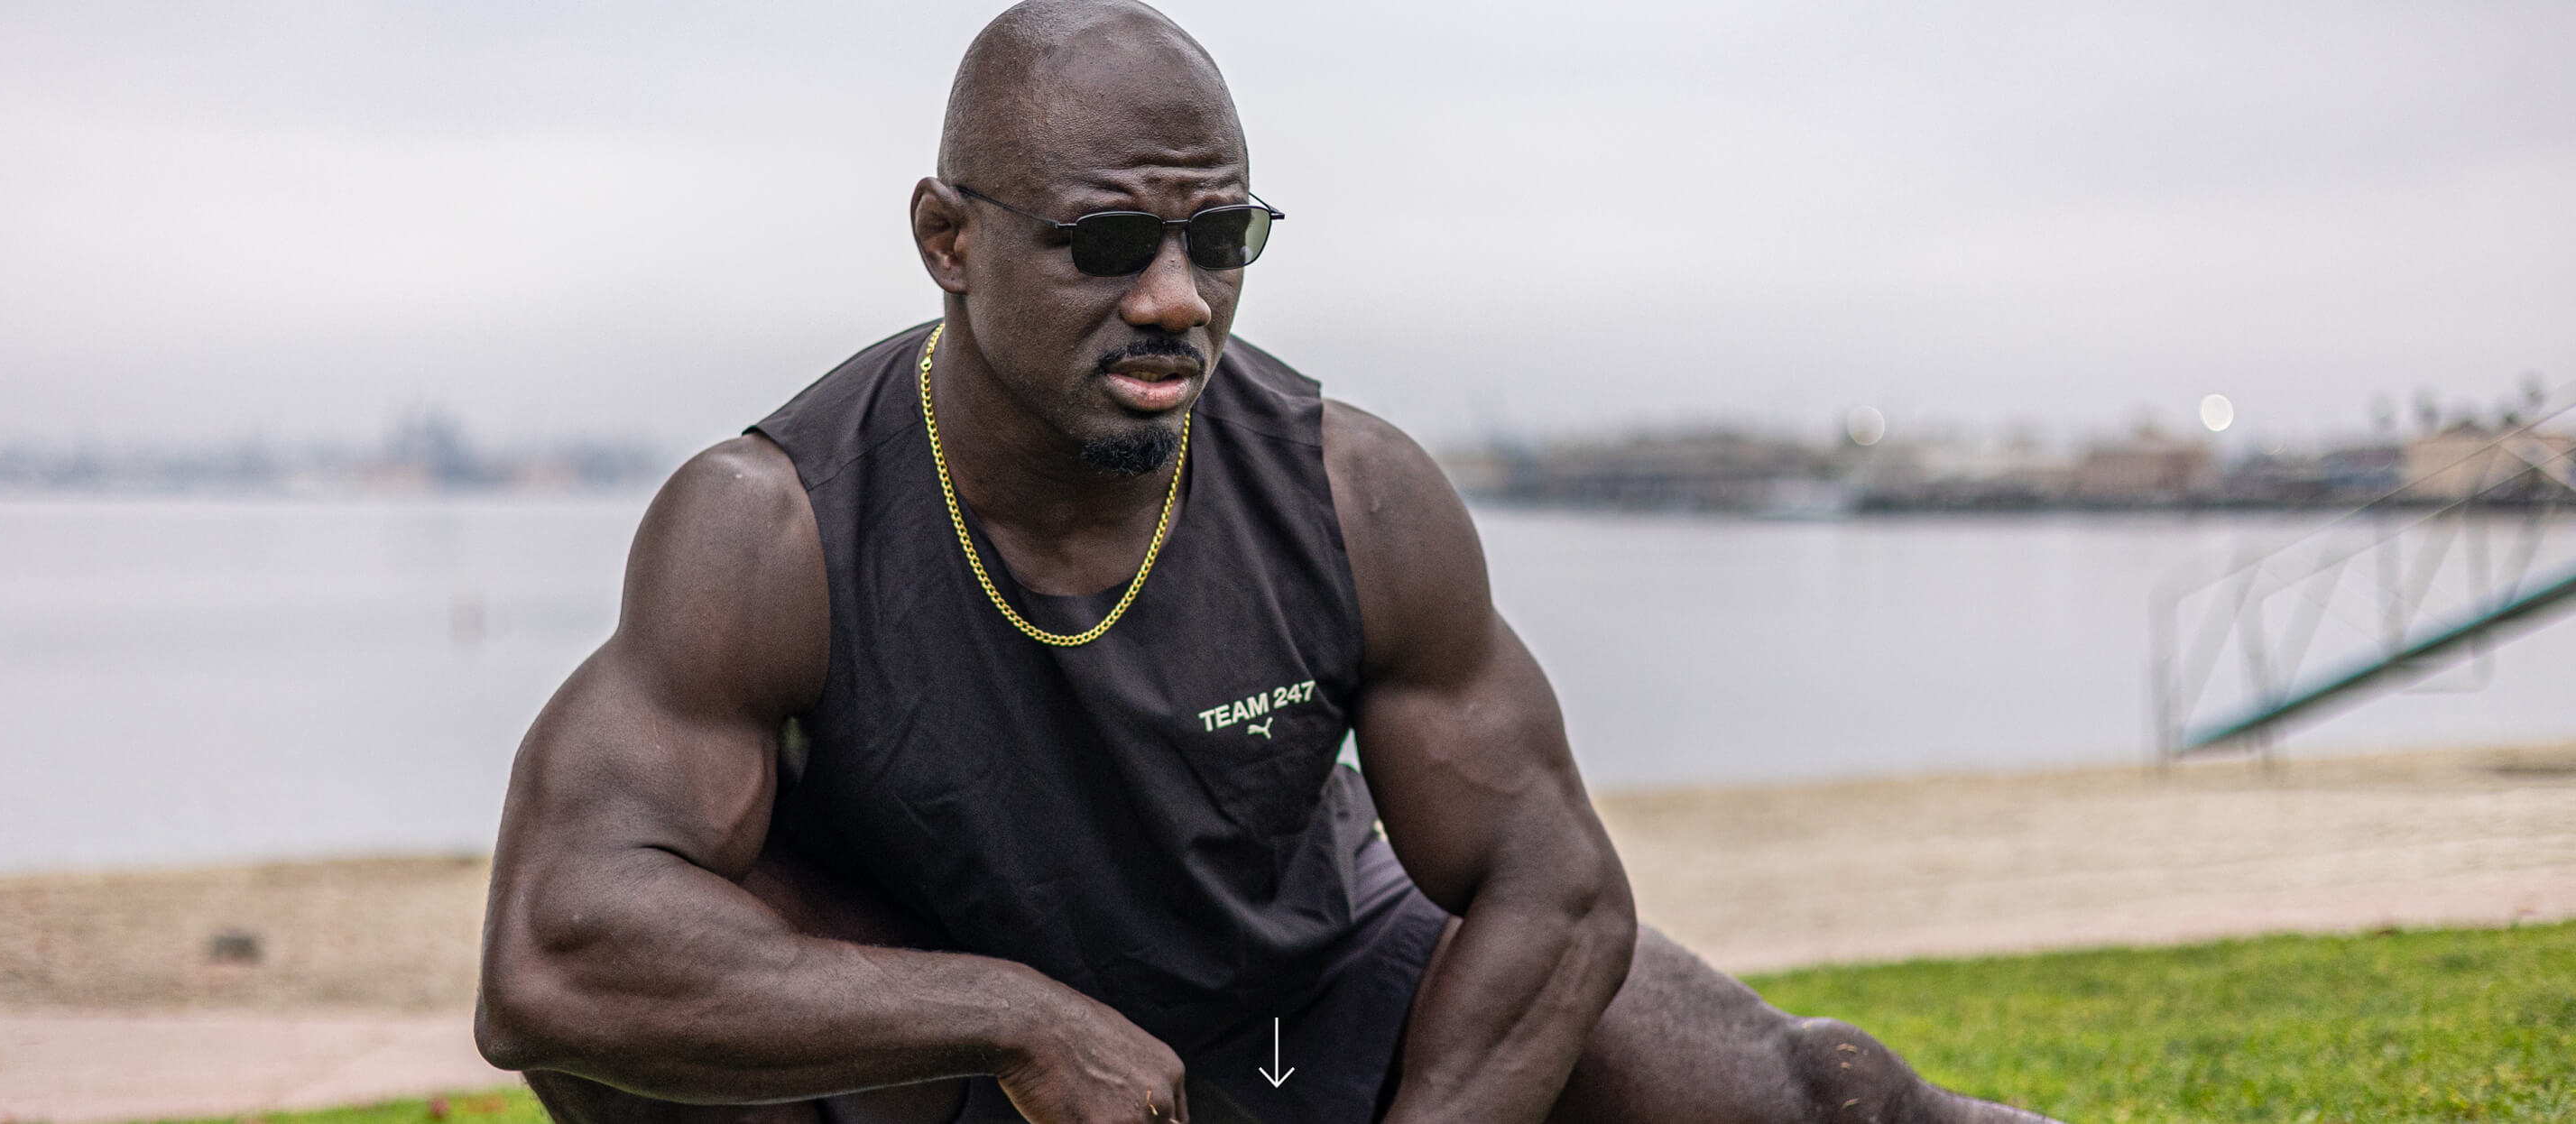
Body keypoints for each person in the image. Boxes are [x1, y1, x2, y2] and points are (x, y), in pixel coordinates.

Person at [474, 4, 2062, 1122]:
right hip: (955, 1063)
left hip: (1318, 984)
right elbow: (553, 950)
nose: (1178, 297)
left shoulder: (1351, 490)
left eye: (1222, 237)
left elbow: (1556, 889)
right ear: (949, 241)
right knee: (632, 1032)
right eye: (1109, 244)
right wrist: (1016, 1015)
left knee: (1813, 1096)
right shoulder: (769, 525)